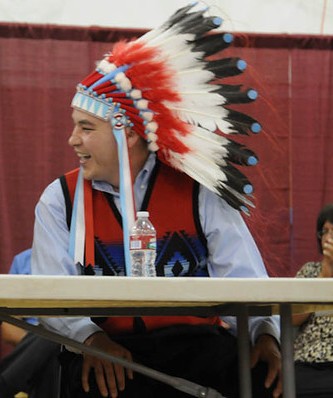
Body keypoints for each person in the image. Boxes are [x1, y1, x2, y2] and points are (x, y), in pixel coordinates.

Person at [31, 4, 282, 398]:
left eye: (86, 127)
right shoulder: (59, 199)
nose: (73, 140)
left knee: (258, 375)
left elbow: (245, 278)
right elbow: (49, 294)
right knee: (97, 380)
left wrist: (265, 334)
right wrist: (90, 340)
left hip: (195, 346)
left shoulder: (198, 190)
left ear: (126, 133)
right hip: (105, 347)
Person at [0, 249, 61, 398]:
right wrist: (38, 348)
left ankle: (1, 386)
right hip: (33, 353)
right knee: (54, 338)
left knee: (59, 328)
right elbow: (9, 331)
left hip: (79, 339)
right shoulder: (24, 260)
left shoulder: (84, 259)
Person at [292, 202, 333, 397]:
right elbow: (293, 317)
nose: (329, 238)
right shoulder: (309, 272)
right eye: (324, 231)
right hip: (309, 363)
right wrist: (325, 274)